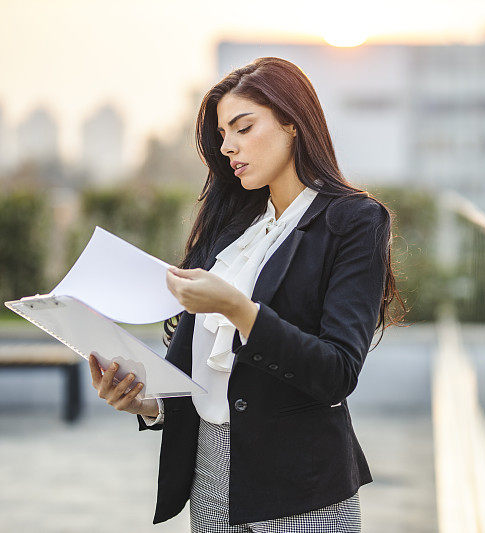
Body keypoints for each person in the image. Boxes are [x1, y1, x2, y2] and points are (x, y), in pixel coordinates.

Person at [88, 56, 406, 532]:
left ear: (292, 123)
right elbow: (207, 379)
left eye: (243, 127)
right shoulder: (231, 228)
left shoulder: (353, 221)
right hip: (210, 480)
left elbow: (336, 372)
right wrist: (145, 404)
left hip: (301, 490)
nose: (229, 147)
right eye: (222, 135)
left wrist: (238, 309)